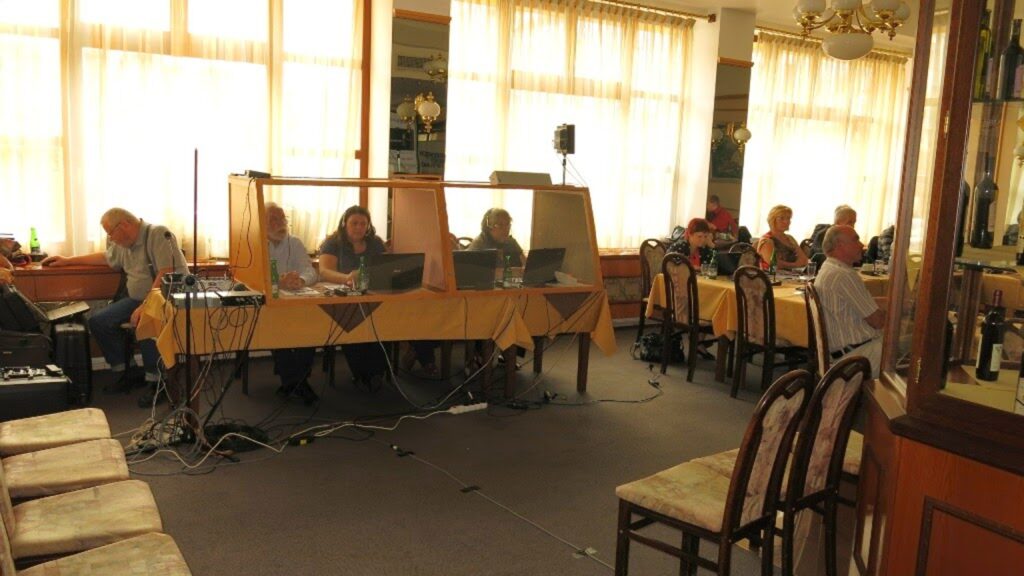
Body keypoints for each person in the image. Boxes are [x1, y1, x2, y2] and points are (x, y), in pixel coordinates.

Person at [41, 208, 188, 402]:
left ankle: (158, 382)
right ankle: (129, 371)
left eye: (110, 233)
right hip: (137, 299)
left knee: (146, 322)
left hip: (166, 297)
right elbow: (106, 257)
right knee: (98, 322)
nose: (110, 238)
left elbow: (166, 273)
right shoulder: (125, 244)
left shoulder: (158, 234)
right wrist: (68, 260)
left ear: (124, 225)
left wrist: (146, 306)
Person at [319, 206, 390, 391]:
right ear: (345, 223)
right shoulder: (333, 242)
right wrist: (347, 278)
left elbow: (386, 267)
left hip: (372, 295)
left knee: (383, 324)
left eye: (363, 224)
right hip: (344, 298)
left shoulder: (375, 243)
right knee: (352, 324)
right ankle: (362, 374)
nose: (359, 227)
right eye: (354, 223)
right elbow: (325, 272)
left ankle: (375, 373)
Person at [265, 203, 319, 404]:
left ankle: (293, 382)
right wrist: (278, 282)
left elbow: (310, 271)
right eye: (274, 219)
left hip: (296, 301)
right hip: (269, 304)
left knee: (312, 324)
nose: (281, 223)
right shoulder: (253, 243)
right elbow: (251, 278)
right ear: (261, 222)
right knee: (275, 326)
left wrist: (301, 280)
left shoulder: (294, 242)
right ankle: (298, 382)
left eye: (283, 219)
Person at [816, 225, 885, 377]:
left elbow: (860, 303)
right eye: (856, 240)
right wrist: (900, 315)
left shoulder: (828, 268)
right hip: (858, 357)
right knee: (917, 347)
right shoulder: (843, 275)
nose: (861, 245)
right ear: (840, 246)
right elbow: (878, 321)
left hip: (843, 352)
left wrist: (896, 303)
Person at [756, 204, 809, 270]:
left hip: (793, 274)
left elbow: (804, 260)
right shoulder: (766, 240)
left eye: (788, 218)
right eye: (781, 218)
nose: (786, 221)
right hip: (772, 275)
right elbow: (773, 264)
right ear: (772, 220)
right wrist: (795, 265)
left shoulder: (790, 238)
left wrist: (798, 264)